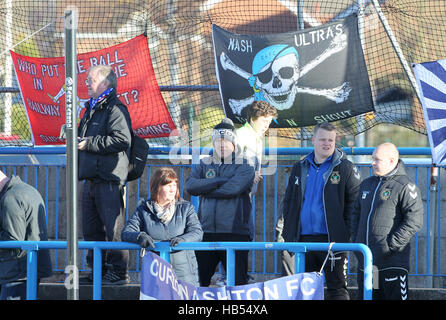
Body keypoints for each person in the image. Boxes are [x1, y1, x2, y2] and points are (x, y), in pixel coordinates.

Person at [277, 122, 361, 300]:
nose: (327, 143)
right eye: (322, 139)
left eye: (331, 140)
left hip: (333, 242)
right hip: (303, 240)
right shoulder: (299, 167)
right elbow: (289, 202)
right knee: (304, 290)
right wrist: (288, 232)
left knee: (337, 289)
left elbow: (354, 205)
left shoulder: (345, 168)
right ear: (313, 140)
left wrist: (344, 236)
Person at [78, 65, 132, 285]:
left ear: (105, 84)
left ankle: (119, 273)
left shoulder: (115, 109)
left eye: (90, 80)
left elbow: (123, 139)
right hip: (91, 178)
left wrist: (89, 143)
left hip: (108, 180)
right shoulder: (91, 109)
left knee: (113, 229)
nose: (87, 83)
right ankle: (97, 271)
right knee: (91, 230)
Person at [185, 118, 255, 286]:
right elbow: (191, 186)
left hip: (235, 233)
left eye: (226, 141)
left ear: (233, 143)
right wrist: (219, 181)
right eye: (218, 141)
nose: (222, 145)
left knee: (237, 285)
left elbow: (233, 189)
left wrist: (206, 188)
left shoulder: (245, 165)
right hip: (206, 232)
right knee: (198, 282)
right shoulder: (204, 163)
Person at [351, 142, 423, 300]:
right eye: (372, 159)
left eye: (377, 159)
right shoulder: (367, 184)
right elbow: (355, 214)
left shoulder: (405, 186)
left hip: (392, 264)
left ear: (392, 161)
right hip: (369, 265)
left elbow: (415, 220)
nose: (373, 163)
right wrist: (356, 241)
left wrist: (390, 246)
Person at [121, 168, 203, 286]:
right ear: (157, 187)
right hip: (156, 273)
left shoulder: (186, 208)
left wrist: (183, 239)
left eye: (174, 185)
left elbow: (197, 232)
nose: (172, 189)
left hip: (184, 273)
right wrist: (140, 236)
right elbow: (127, 232)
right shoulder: (143, 210)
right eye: (168, 185)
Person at [0, 170, 52, 300]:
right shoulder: (28, 190)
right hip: (28, 268)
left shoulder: (10, 198)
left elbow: (12, 240)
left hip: (16, 271)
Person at [236, 101, 278, 192]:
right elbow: (233, 163)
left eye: (269, 122)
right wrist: (250, 175)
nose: (266, 125)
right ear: (252, 119)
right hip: (236, 190)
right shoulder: (241, 135)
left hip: (245, 189)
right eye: (264, 121)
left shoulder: (257, 136)